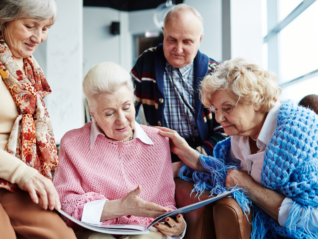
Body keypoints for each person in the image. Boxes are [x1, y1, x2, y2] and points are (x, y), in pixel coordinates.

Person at [158, 58, 318, 238]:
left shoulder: (301, 135)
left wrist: (252, 189)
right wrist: (188, 154)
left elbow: (314, 220)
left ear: (257, 99)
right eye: (215, 109)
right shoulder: (240, 137)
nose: (219, 118)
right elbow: (227, 174)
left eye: (227, 108)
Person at [53, 62, 186, 239]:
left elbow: (165, 203)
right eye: (109, 113)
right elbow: (66, 206)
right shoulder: (72, 143)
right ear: (92, 114)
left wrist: (178, 226)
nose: (122, 120)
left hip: (146, 232)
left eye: (126, 107)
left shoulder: (158, 140)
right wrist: (119, 208)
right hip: (97, 231)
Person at [0, 0, 76, 238]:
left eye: (45, 28)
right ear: (4, 20)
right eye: (31, 26)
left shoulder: (28, 66)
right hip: (14, 173)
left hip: (13, 181)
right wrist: (23, 174)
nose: (39, 37)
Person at [131, 4, 224, 166]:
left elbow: (225, 131)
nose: (178, 49)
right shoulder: (146, 62)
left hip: (205, 155)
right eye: (172, 40)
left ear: (199, 39)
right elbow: (127, 108)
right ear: (163, 33)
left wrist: (195, 158)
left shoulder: (215, 72)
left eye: (187, 42)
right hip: (158, 155)